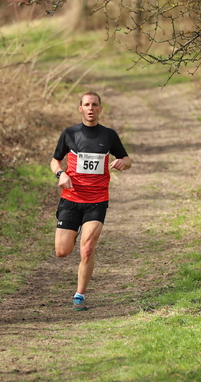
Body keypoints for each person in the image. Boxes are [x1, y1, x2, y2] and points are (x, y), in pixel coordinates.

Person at [50, 91, 132, 311]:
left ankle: (80, 295)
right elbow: (55, 161)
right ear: (80, 108)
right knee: (62, 252)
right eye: (87, 104)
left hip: (96, 200)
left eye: (95, 105)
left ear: (100, 109)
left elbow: (127, 159)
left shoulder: (109, 135)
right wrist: (61, 174)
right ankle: (75, 230)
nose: (91, 108)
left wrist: (123, 163)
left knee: (87, 250)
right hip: (71, 199)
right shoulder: (69, 134)